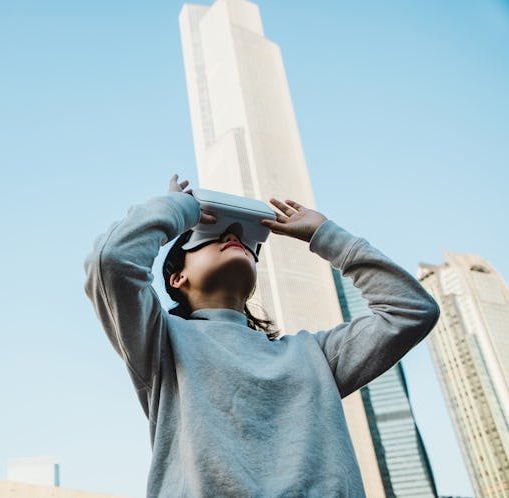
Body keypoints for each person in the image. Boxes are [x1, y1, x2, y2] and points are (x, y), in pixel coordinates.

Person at [84, 174, 440, 497]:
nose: (232, 237)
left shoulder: (314, 355)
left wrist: (325, 236)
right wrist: (178, 209)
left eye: (243, 241)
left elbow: (412, 310)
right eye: (210, 238)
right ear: (177, 278)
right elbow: (112, 261)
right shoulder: (160, 343)